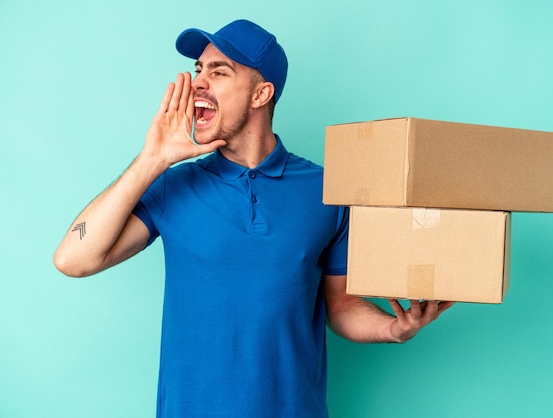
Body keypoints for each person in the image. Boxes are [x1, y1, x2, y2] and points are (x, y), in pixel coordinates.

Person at [54, 19, 453, 418]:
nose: (198, 83)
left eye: (219, 71)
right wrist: (151, 159)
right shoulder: (170, 186)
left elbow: (341, 303)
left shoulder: (328, 190)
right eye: (198, 70)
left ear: (261, 93)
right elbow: (74, 259)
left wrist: (392, 329)